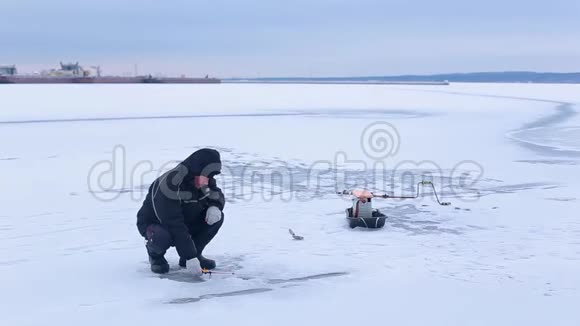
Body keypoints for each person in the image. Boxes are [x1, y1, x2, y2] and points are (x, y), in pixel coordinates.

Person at [137, 148, 225, 274]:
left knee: (217, 217)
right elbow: (173, 223)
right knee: (161, 236)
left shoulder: (204, 179)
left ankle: (195, 253)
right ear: (194, 170)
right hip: (160, 225)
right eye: (204, 176)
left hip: (186, 220)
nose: (206, 181)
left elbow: (215, 194)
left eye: (209, 176)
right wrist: (190, 257)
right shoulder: (169, 184)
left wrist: (215, 206)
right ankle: (155, 256)